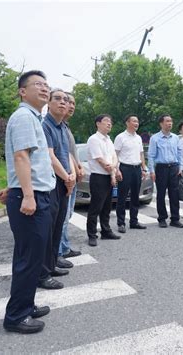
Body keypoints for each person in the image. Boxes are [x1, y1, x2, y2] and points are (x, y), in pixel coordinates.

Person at [1, 70, 55, 334]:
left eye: (46, 85)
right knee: (28, 258)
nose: (44, 88)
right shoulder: (24, 117)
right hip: (31, 197)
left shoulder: (33, 117)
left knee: (31, 257)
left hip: (29, 193)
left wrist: (13, 186)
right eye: (38, 84)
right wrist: (28, 195)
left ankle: (26, 303)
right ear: (23, 91)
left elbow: (27, 162)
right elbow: (21, 157)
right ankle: (16, 316)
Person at [38, 89, 76, 290]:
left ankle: (51, 265)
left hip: (64, 182)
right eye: (58, 99)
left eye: (66, 100)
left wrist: (70, 177)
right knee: (49, 228)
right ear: (49, 104)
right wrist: (67, 176)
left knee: (58, 225)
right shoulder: (46, 126)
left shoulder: (62, 127)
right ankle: (42, 274)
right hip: (52, 182)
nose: (63, 103)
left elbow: (65, 155)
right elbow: (50, 157)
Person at [86, 114, 121, 247]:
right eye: (106, 121)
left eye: (110, 121)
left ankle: (106, 231)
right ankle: (92, 235)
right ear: (98, 124)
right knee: (96, 207)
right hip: (98, 177)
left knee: (107, 207)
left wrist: (112, 173)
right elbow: (100, 160)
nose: (109, 124)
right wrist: (111, 170)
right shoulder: (94, 139)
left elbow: (114, 157)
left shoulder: (109, 140)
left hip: (108, 176)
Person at [147, 114, 183, 229]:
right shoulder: (155, 138)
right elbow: (151, 156)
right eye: (167, 121)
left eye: (171, 121)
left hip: (174, 168)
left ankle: (175, 219)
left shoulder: (175, 138)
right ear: (161, 123)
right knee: (161, 194)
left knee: (174, 194)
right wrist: (152, 171)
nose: (170, 123)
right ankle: (162, 218)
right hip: (161, 168)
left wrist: (180, 167)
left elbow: (179, 153)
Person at [59, 93, 83, 258]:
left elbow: (71, 153)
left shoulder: (65, 127)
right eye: (68, 102)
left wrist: (79, 166)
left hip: (72, 176)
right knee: (62, 217)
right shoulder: (55, 126)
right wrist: (75, 169)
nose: (71, 106)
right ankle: (59, 251)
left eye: (73, 103)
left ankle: (64, 247)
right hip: (64, 177)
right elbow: (63, 154)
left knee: (68, 215)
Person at [114, 114, 148, 233]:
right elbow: (115, 155)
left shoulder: (138, 138)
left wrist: (144, 169)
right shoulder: (120, 137)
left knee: (135, 196)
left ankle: (134, 221)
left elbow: (141, 154)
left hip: (136, 169)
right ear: (127, 123)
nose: (136, 123)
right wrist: (116, 170)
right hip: (125, 168)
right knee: (122, 197)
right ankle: (121, 223)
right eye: (134, 121)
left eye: (137, 121)